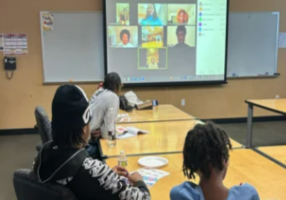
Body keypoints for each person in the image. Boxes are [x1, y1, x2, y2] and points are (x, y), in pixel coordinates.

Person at [33, 84, 150, 200]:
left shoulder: (41, 158)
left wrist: (106, 177)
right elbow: (144, 198)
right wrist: (140, 182)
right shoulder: (93, 171)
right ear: (84, 129)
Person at [170, 123, 260, 200]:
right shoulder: (248, 194)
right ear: (224, 160)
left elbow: (176, 191)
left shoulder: (181, 194)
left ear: (192, 164)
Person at [90, 72, 122, 139]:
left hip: (82, 133)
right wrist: (103, 132)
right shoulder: (113, 97)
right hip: (90, 139)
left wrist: (102, 131)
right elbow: (107, 133)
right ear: (117, 87)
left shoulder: (98, 92)